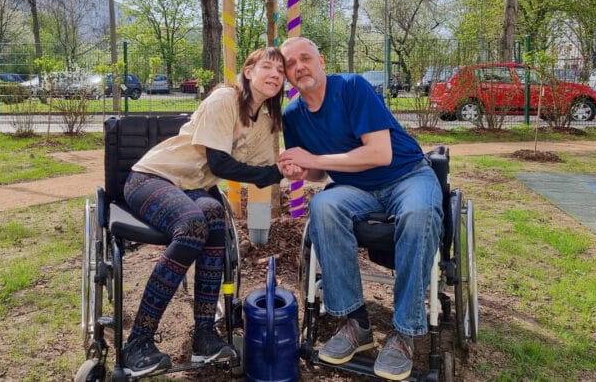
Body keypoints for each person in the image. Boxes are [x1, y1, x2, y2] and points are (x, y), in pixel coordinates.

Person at [120, 47, 302, 377]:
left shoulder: (267, 121)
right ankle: (138, 341)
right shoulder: (224, 100)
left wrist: (288, 169)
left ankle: (205, 334)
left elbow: (262, 168)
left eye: (281, 70)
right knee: (192, 225)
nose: (275, 74)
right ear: (248, 72)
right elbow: (222, 163)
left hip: (194, 187)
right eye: (267, 67)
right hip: (153, 177)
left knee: (215, 218)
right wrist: (275, 173)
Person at [278, 37, 442, 381]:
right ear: (287, 76)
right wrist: (301, 170)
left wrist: (314, 160)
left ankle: (405, 331)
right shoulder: (293, 116)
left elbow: (380, 154)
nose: (299, 67)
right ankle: (356, 323)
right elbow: (320, 172)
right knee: (322, 204)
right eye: (290, 64)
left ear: (321, 60)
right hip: (356, 188)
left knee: (418, 214)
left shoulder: (352, 87)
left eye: (304, 58)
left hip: (407, 175)